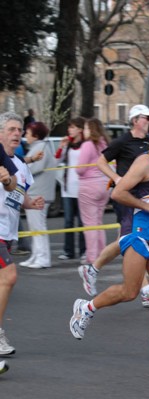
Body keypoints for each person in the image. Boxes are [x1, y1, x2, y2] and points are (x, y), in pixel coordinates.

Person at [69, 119, 149, 362]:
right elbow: (119, 192)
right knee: (130, 292)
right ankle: (86, 308)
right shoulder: (144, 162)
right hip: (137, 232)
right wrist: (147, 206)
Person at [78, 104, 149, 303]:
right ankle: (145, 288)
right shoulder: (123, 141)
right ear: (135, 120)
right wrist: (117, 178)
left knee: (130, 239)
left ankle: (92, 269)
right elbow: (100, 162)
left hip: (145, 197)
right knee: (132, 239)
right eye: (146, 118)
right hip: (126, 197)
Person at [0, 112, 44, 359]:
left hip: (7, 233)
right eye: (12, 129)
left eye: (19, 129)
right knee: (9, 276)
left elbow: (15, 195)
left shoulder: (21, 166)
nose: (17, 133)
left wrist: (31, 203)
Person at [20, 122, 57, 269]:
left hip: (38, 194)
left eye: (28, 133)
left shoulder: (40, 148)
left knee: (38, 227)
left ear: (35, 135)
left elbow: (31, 168)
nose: (25, 136)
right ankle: (36, 255)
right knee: (35, 226)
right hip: (37, 193)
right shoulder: (39, 147)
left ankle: (42, 258)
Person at [77, 118, 110, 266]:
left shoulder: (88, 145)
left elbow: (80, 169)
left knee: (89, 224)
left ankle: (92, 257)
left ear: (90, 130)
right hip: (104, 185)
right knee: (98, 221)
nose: (84, 132)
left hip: (89, 186)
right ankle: (103, 254)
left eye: (85, 129)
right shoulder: (105, 143)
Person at [56, 117, 86, 261]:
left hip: (81, 187)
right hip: (67, 188)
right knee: (68, 221)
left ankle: (83, 251)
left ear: (80, 129)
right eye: (69, 127)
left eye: (72, 127)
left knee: (82, 222)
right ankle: (68, 251)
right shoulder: (68, 144)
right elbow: (57, 159)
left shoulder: (86, 145)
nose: (69, 130)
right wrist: (62, 146)